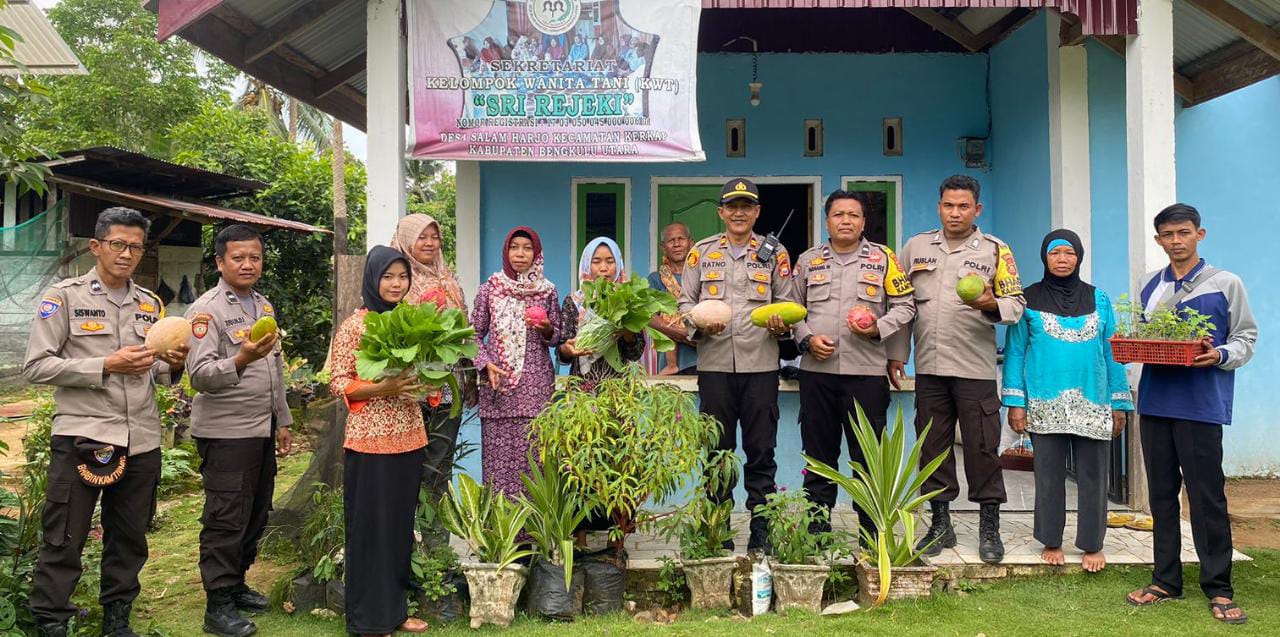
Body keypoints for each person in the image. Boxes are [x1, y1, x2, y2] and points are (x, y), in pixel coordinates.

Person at [23, 207, 188, 637]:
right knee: (65, 535)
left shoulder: (151, 305)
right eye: (118, 244)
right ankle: (51, 619)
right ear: (96, 246)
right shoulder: (64, 297)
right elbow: (36, 366)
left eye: (136, 246)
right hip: (84, 434)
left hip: (142, 439)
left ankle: (117, 617)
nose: (127, 253)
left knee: (130, 536)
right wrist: (105, 365)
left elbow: (155, 373)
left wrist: (172, 364)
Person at [1124, 204, 1257, 625]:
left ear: (1200, 234)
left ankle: (1218, 586)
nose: (1176, 241)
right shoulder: (1149, 285)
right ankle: (1165, 579)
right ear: (1158, 239)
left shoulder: (1225, 283)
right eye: (1167, 234)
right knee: (1161, 498)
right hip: (1156, 401)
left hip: (1201, 406)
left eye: (1183, 232)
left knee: (1206, 497)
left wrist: (1218, 354)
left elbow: (1246, 337)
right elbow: (1143, 335)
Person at [890, 175, 1026, 564]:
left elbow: (1016, 306)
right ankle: (940, 524)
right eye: (949, 205)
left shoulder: (996, 251)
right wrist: (897, 354)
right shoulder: (915, 247)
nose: (955, 213)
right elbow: (903, 306)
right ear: (939, 206)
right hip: (929, 368)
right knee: (932, 448)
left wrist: (988, 303)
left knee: (983, 448)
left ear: (976, 209)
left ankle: (989, 526)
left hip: (975, 370)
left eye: (963, 206)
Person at [677, 178, 799, 552]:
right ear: (721, 212)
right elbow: (685, 306)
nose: (739, 212)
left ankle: (761, 531)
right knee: (717, 451)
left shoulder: (775, 254)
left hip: (760, 366)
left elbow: (788, 303)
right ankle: (718, 530)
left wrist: (783, 327)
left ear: (757, 211)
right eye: (732, 206)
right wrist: (698, 323)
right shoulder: (701, 253)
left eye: (747, 206)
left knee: (761, 450)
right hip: (714, 367)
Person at [1001, 229, 1132, 573]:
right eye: (1055, 253)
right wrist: (1016, 402)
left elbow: (1112, 350)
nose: (1062, 259)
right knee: (1048, 476)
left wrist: (1120, 403)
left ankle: (1092, 544)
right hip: (1045, 402)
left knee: (1094, 476)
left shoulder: (1099, 299)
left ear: (1079, 258)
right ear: (1044, 257)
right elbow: (1014, 352)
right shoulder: (1026, 300)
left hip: (1094, 400)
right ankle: (1051, 540)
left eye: (1069, 253)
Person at [183, 225, 292, 637]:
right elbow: (200, 376)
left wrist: (282, 420)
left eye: (255, 257)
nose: (248, 264)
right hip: (226, 433)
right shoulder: (206, 311)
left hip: (261, 429)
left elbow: (275, 369)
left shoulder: (262, 306)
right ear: (219, 262)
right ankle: (219, 605)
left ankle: (238, 582)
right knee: (226, 518)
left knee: (257, 511)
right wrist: (241, 358)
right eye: (238, 257)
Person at [792, 190, 916, 540]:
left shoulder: (884, 259)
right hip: (818, 374)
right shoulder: (808, 260)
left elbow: (906, 305)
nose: (846, 220)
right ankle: (817, 532)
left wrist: (879, 328)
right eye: (838, 214)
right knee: (818, 456)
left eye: (853, 215)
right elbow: (790, 307)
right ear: (827, 219)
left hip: (867, 374)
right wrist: (807, 339)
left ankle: (871, 535)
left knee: (868, 458)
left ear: (864, 222)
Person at [328, 247, 430, 636]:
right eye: (388, 276)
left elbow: (426, 376)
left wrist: (428, 385)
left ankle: (395, 612)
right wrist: (382, 387)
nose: (396, 284)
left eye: (402, 276)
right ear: (373, 278)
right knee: (370, 531)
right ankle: (369, 620)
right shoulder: (356, 325)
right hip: (369, 441)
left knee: (399, 530)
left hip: (409, 437)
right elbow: (338, 381)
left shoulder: (412, 321)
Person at [389, 213, 475, 546]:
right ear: (406, 240)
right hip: (407, 392)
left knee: (439, 468)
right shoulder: (396, 282)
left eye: (434, 237)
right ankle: (402, 543)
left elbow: (465, 335)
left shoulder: (449, 282)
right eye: (421, 236)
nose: (428, 243)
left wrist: (469, 380)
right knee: (406, 469)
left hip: (447, 392)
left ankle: (436, 547)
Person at [472, 227, 561, 498]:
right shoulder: (491, 288)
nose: (520, 254)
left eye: (527, 248)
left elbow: (557, 336)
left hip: (536, 389)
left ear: (536, 253)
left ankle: (532, 533)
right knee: (498, 463)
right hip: (499, 389)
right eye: (514, 247)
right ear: (506, 252)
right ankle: (502, 535)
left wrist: (545, 327)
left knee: (534, 461)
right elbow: (472, 333)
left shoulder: (547, 291)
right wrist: (485, 363)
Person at [558, 237, 643, 385]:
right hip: (581, 388)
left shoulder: (628, 300)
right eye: (596, 261)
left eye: (610, 261)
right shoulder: (573, 302)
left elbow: (635, 354)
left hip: (618, 389)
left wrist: (628, 334)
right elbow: (562, 355)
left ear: (618, 264)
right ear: (586, 265)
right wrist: (567, 349)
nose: (603, 268)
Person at [647, 222, 697, 375]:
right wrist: (681, 333)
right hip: (670, 362)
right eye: (671, 240)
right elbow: (648, 316)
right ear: (663, 247)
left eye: (681, 239)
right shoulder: (656, 279)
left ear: (691, 243)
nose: (676, 244)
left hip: (703, 358)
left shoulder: (702, 275)